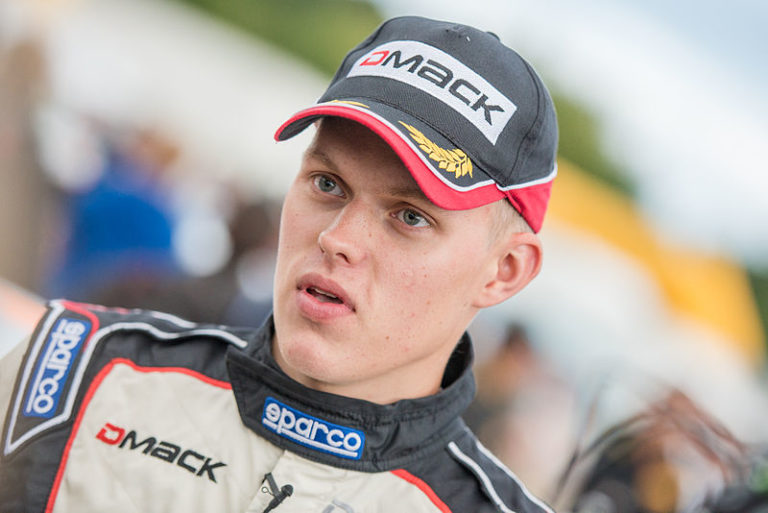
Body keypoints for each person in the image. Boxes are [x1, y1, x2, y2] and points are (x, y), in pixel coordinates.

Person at [0, 16, 558, 512]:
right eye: (328, 184)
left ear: (503, 271)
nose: (338, 238)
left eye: (410, 217)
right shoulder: (74, 373)